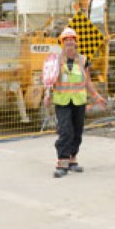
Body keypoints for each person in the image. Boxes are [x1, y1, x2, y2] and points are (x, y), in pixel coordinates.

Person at [44, 27, 106, 178]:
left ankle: (72, 159)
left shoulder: (84, 60)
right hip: (63, 101)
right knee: (65, 130)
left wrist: (97, 96)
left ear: (76, 43)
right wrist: (47, 94)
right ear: (62, 43)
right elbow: (49, 79)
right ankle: (62, 162)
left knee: (77, 132)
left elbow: (88, 82)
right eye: (66, 40)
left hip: (79, 101)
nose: (69, 43)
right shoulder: (55, 60)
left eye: (72, 40)